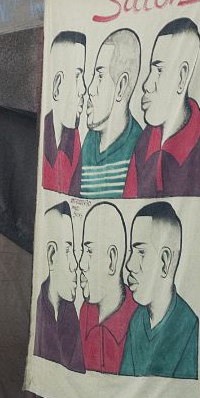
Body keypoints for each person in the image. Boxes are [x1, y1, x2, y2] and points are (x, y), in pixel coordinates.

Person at [123, 18, 200, 198]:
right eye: (151, 71)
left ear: (182, 78)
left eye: (159, 70)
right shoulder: (144, 142)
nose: (147, 84)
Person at [119, 201, 198, 379]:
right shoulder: (137, 321)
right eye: (131, 252)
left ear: (165, 261)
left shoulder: (189, 326)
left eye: (140, 252)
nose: (129, 265)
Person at [80, 29, 143, 199]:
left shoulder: (141, 149)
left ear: (121, 86)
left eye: (100, 76)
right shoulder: (88, 143)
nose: (90, 89)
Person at [78, 202, 138, 373]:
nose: (81, 264)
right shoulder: (85, 312)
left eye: (89, 251)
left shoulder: (140, 321)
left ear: (112, 259)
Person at [33, 201, 85, 373]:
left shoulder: (68, 310)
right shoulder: (39, 307)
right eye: (69, 250)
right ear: (52, 255)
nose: (76, 264)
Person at [42, 31, 86, 195]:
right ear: (57, 87)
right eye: (77, 76)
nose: (83, 89)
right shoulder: (39, 140)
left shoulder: (77, 143)